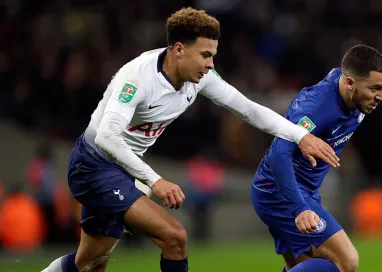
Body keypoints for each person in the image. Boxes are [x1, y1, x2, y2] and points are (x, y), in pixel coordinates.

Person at [41, 7, 339, 272]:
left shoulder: (201, 78)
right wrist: (156, 180)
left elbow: (248, 109)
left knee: (89, 264)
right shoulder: (136, 77)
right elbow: (106, 135)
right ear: (179, 49)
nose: (211, 64)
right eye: (205, 55)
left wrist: (300, 135)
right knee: (175, 237)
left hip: (121, 169)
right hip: (94, 166)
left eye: (213, 56)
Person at [250, 44, 382, 272]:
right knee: (346, 261)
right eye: (375, 89)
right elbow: (279, 155)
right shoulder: (316, 109)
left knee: (312, 266)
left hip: (301, 191)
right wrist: (299, 208)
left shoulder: (353, 81)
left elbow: (379, 68)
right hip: (281, 192)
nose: (381, 96)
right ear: (350, 84)